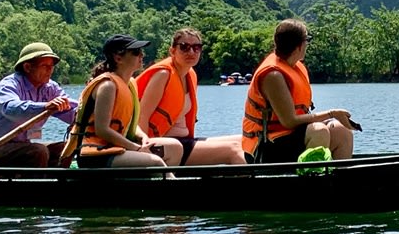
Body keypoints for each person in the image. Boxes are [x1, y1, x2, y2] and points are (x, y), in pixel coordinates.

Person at [242, 18, 356, 164]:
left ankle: (338, 183)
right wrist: (332, 114)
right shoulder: (273, 75)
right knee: (318, 131)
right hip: (264, 147)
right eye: (307, 40)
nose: (307, 45)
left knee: (342, 131)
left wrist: (335, 118)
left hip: (289, 138)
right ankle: (309, 181)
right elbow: (289, 121)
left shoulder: (294, 66)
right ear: (299, 46)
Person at [66, 35, 180, 168]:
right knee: (155, 162)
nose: (141, 55)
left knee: (175, 148)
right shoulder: (108, 86)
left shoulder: (129, 83)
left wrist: (143, 137)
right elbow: (102, 130)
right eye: (136, 52)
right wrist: (135, 148)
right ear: (118, 58)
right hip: (95, 154)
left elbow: (130, 123)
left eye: (141, 52)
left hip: (116, 147)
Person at [136, 28, 244, 166]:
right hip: (167, 145)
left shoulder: (190, 74)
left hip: (185, 141)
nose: (191, 52)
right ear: (172, 51)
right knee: (233, 150)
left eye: (196, 47)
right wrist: (144, 151)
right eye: (184, 47)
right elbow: (142, 116)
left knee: (244, 141)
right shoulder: (163, 74)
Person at [0, 42, 76, 167]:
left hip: (24, 145)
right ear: (28, 67)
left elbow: (71, 108)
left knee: (66, 148)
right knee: (38, 151)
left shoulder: (50, 87)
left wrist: (92, 115)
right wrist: (45, 106)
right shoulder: (9, 84)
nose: (50, 70)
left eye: (51, 66)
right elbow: (11, 109)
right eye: (45, 66)